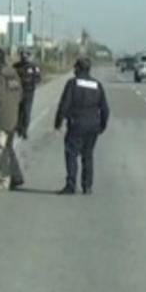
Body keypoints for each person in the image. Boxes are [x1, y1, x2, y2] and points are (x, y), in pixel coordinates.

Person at [54, 56, 110, 195]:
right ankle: (87, 186)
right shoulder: (97, 85)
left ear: (78, 69)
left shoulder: (72, 84)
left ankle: (71, 185)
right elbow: (105, 108)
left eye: (75, 68)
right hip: (93, 125)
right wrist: (102, 125)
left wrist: (58, 123)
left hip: (76, 124)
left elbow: (64, 104)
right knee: (88, 155)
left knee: (71, 154)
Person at [0, 47, 23, 191]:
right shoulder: (13, 74)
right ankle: (15, 175)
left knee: (0, 151)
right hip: (13, 116)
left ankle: (4, 180)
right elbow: (20, 94)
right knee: (8, 148)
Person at [13, 49, 42, 138]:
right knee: (17, 110)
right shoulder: (15, 66)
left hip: (28, 92)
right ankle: (18, 127)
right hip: (17, 92)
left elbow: (38, 78)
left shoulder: (34, 67)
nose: (24, 57)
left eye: (26, 55)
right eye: (23, 55)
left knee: (26, 111)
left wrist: (30, 81)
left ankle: (24, 130)